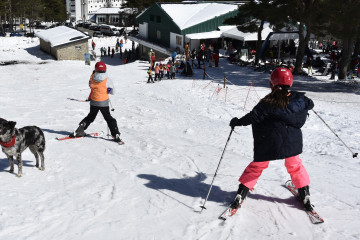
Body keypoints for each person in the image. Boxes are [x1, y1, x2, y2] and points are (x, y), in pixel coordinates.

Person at [229, 67, 314, 211]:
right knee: (295, 165)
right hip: (291, 142)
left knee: (257, 166)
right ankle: (304, 193)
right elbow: (310, 103)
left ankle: (242, 192)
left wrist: (237, 122)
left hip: (269, 141)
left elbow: (253, 116)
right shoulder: (300, 99)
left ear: (272, 83)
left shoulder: (268, 101)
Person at [70, 62, 122, 143]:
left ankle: (80, 129)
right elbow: (113, 92)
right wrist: (109, 90)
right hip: (103, 102)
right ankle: (115, 134)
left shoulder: (92, 78)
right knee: (108, 118)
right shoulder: (107, 79)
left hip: (94, 101)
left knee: (90, 116)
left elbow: (90, 86)